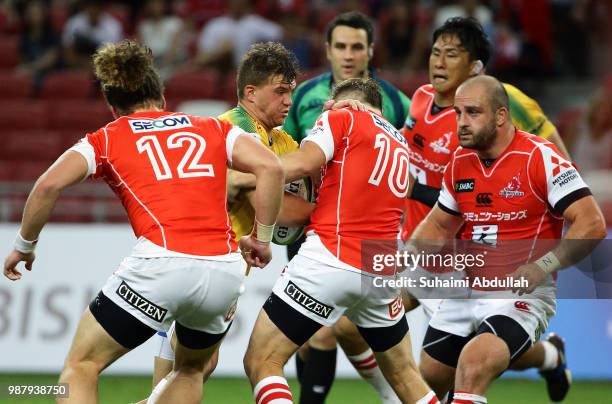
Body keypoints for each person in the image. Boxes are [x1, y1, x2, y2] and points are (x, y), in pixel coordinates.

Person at [3, 39, 284, 403]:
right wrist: (262, 239)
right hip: (224, 268)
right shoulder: (213, 128)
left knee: (81, 365)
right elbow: (271, 167)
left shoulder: (106, 137)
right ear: (162, 96)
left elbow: (47, 186)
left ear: (112, 105)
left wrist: (24, 247)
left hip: (161, 263)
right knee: (191, 368)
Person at [400, 17, 574, 402]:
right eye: (435, 52)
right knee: (444, 366)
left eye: (452, 54)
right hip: (433, 249)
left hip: (479, 259)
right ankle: (549, 357)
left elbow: (562, 171)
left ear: (476, 67)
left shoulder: (506, 100)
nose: (440, 62)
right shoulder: (421, 99)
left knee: (474, 360)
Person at [243, 77, 441, 404]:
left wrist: (247, 171)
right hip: (381, 270)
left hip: (330, 257)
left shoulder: (340, 118)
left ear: (340, 101)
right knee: (407, 378)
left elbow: (302, 163)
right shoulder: (400, 146)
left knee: (262, 361)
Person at [145, 41, 316, 400]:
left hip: (223, 262)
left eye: (292, 92)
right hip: (202, 254)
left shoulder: (282, 142)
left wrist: (247, 179)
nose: (289, 101)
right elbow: (281, 211)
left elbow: (289, 191)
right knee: (197, 363)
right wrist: (274, 186)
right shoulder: (234, 127)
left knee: (199, 363)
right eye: (280, 91)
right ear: (250, 93)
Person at [283, 11, 411, 403]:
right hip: (308, 228)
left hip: (365, 233)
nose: (349, 54)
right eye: (341, 46)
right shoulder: (304, 97)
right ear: (327, 51)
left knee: (329, 328)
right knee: (308, 336)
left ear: (371, 51)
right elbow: (287, 154)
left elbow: (411, 161)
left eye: (357, 46)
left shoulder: (395, 102)